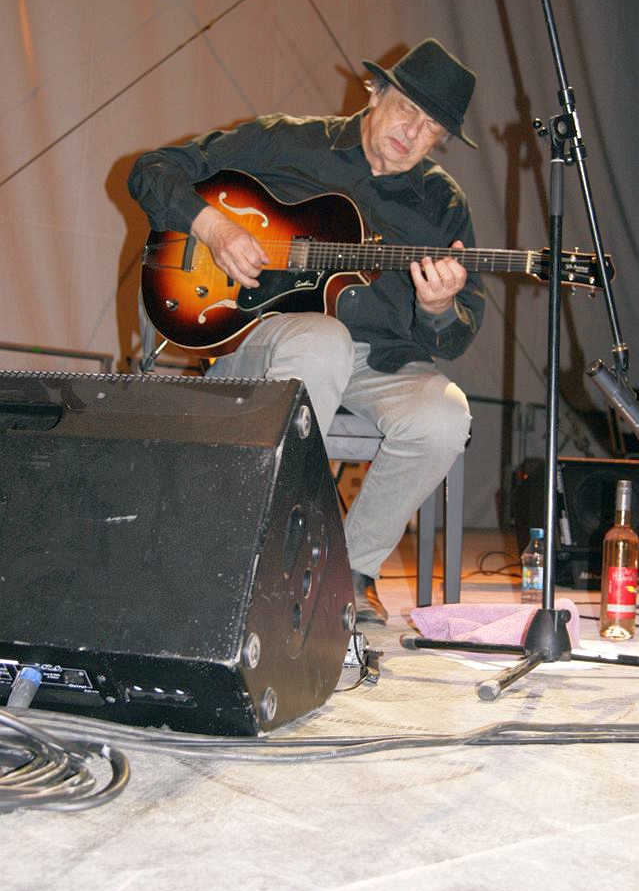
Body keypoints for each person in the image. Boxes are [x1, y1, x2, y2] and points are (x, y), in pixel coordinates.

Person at [128, 38, 485, 626]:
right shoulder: (287, 141)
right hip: (267, 341)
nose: (412, 132)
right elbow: (151, 171)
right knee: (324, 342)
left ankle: (350, 573)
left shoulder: (442, 203)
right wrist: (216, 229)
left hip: (380, 362)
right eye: (406, 110)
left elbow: (454, 338)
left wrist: (439, 306)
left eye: (431, 128)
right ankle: (258, 556)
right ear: (375, 92)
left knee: (445, 415)